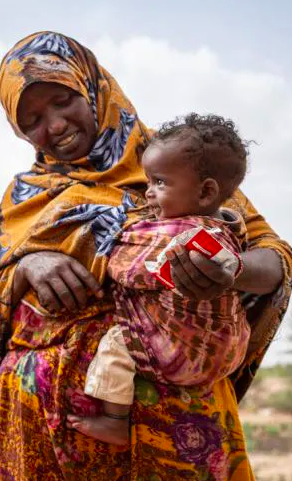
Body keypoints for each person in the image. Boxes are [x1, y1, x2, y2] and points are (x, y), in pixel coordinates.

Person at [0, 31, 291, 480]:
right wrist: (26, 266)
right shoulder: (23, 197)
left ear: (93, 86)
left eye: (63, 100)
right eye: (32, 119)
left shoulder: (180, 162)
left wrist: (228, 271)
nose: (54, 125)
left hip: (175, 422)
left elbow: (274, 258)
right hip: (43, 425)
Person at [68, 113, 252, 446]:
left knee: (114, 344)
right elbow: (234, 268)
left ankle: (114, 419)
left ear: (206, 191)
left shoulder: (166, 234)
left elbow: (126, 269)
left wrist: (108, 250)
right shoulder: (228, 230)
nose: (148, 193)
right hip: (228, 349)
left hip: (179, 352)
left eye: (159, 183)